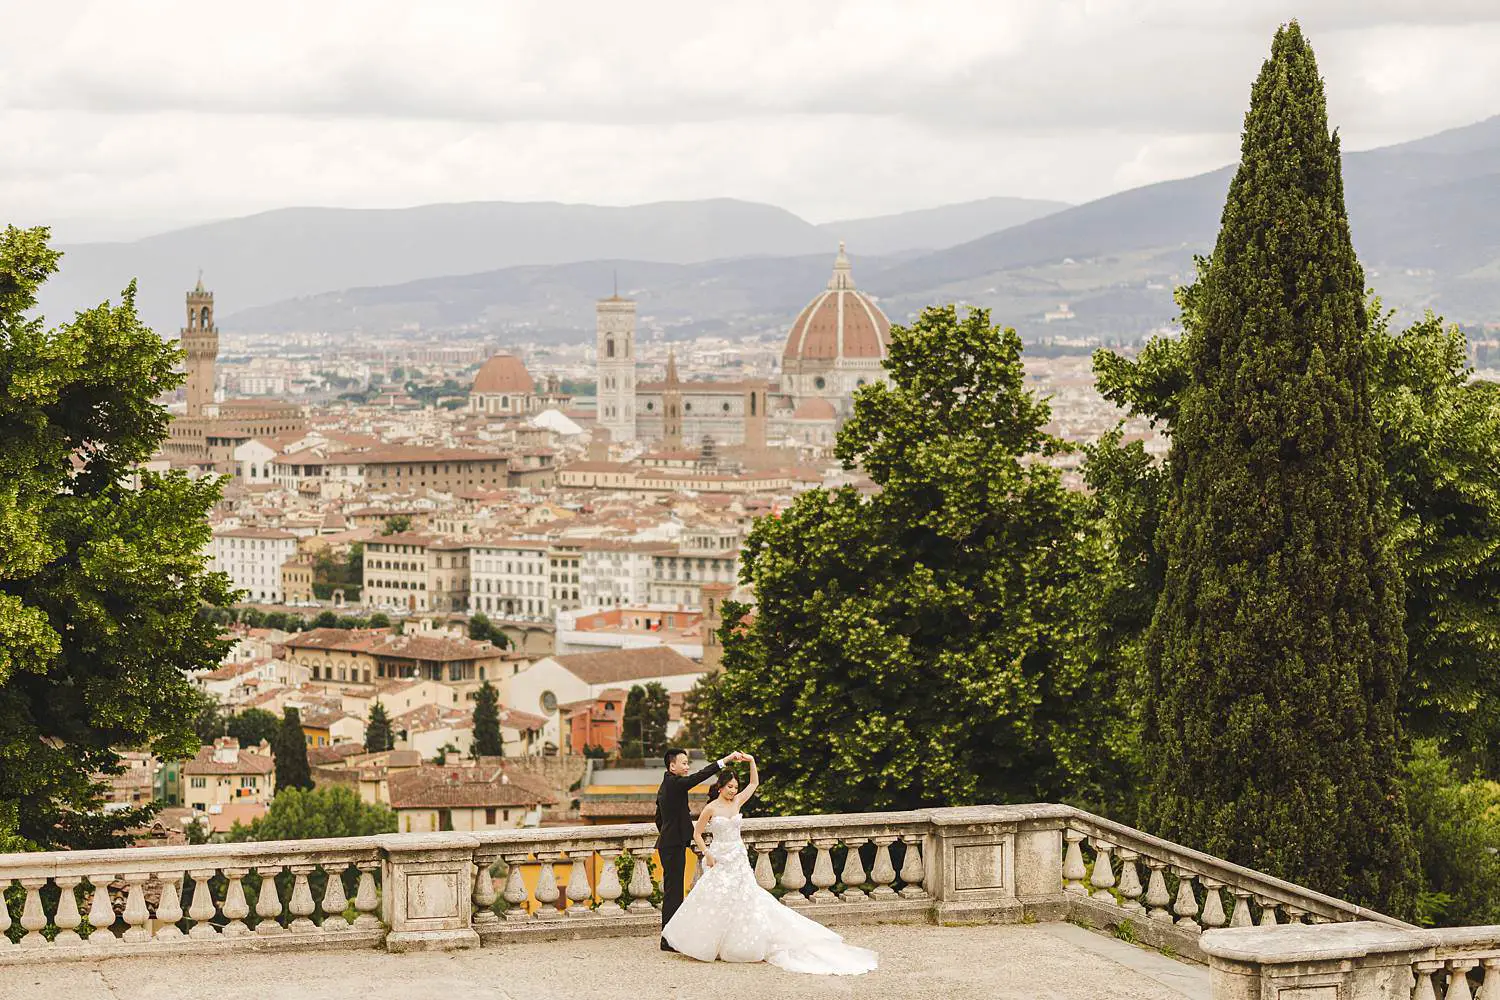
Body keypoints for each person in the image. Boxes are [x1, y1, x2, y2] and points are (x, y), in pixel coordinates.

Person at [661, 753, 878, 975]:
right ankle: (709, 942)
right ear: (720, 788)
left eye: (735, 787)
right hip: (719, 857)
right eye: (729, 787)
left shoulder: (738, 801)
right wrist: (706, 853)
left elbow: (754, 783)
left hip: (737, 856)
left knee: (744, 898)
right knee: (714, 899)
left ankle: (739, 943)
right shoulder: (710, 809)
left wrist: (752, 761)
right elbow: (697, 834)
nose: (733, 791)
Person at [656, 747, 744, 951]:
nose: (687, 767)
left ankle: (670, 936)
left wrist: (670, 832)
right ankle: (668, 939)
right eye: (684, 763)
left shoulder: (666, 784)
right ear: (672, 766)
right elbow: (700, 775)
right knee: (673, 892)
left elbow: (658, 817)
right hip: (672, 844)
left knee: (674, 890)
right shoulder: (675, 783)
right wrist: (726, 759)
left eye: (688, 763)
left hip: (671, 842)